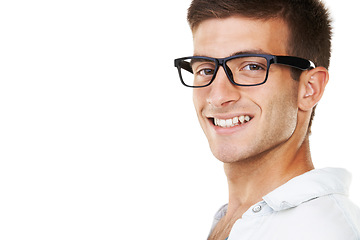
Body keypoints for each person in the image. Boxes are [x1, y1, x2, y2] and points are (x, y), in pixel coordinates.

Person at [174, 0, 360, 239]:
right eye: (206, 70)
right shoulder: (235, 220)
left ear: (310, 88)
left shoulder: (322, 231)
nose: (218, 96)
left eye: (251, 66)